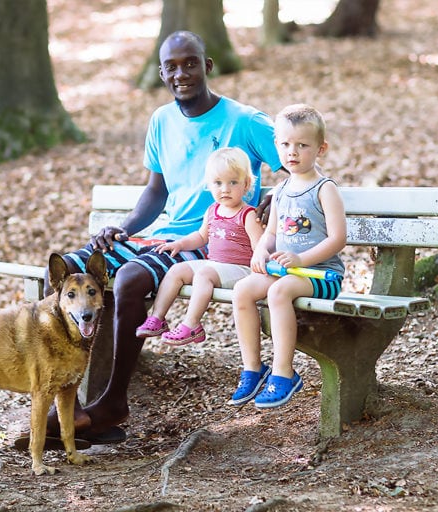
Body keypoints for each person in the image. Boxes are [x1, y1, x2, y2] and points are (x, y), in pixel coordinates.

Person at [37, 31, 282, 442]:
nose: (181, 73)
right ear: (161, 72)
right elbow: (156, 191)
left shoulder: (245, 120)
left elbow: (294, 166)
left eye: (190, 63)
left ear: (207, 66)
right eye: (171, 66)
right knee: (66, 272)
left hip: (209, 241)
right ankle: (70, 404)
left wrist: (275, 194)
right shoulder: (161, 120)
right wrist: (125, 229)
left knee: (131, 278)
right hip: (159, 235)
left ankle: (114, 400)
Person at [230, 104, 347, 409]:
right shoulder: (281, 190)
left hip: (322, 275)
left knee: (278, 291)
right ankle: (253, 368)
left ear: (320, 149)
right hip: (288, 271)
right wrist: (260, 251)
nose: (292, 152)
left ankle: (284, 373)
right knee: (243, 289)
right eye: (284, 144)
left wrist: (302, 260)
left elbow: (338, 239)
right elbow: (270, 233)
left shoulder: (324, 189)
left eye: (302, 145)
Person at [136, 147, 265, 346]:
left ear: (246, 184)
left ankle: (192, 325)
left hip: (241, 269)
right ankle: (158, 318)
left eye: (233, 182)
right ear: (209, 185)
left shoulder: (248, 215)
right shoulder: (212, 211)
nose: (225, 189)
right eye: (218, 183)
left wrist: (262, 263)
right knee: (177, 270)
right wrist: (179, 243)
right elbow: (201, 236)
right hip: (215, 265)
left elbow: (260, 245)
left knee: (204, 274)